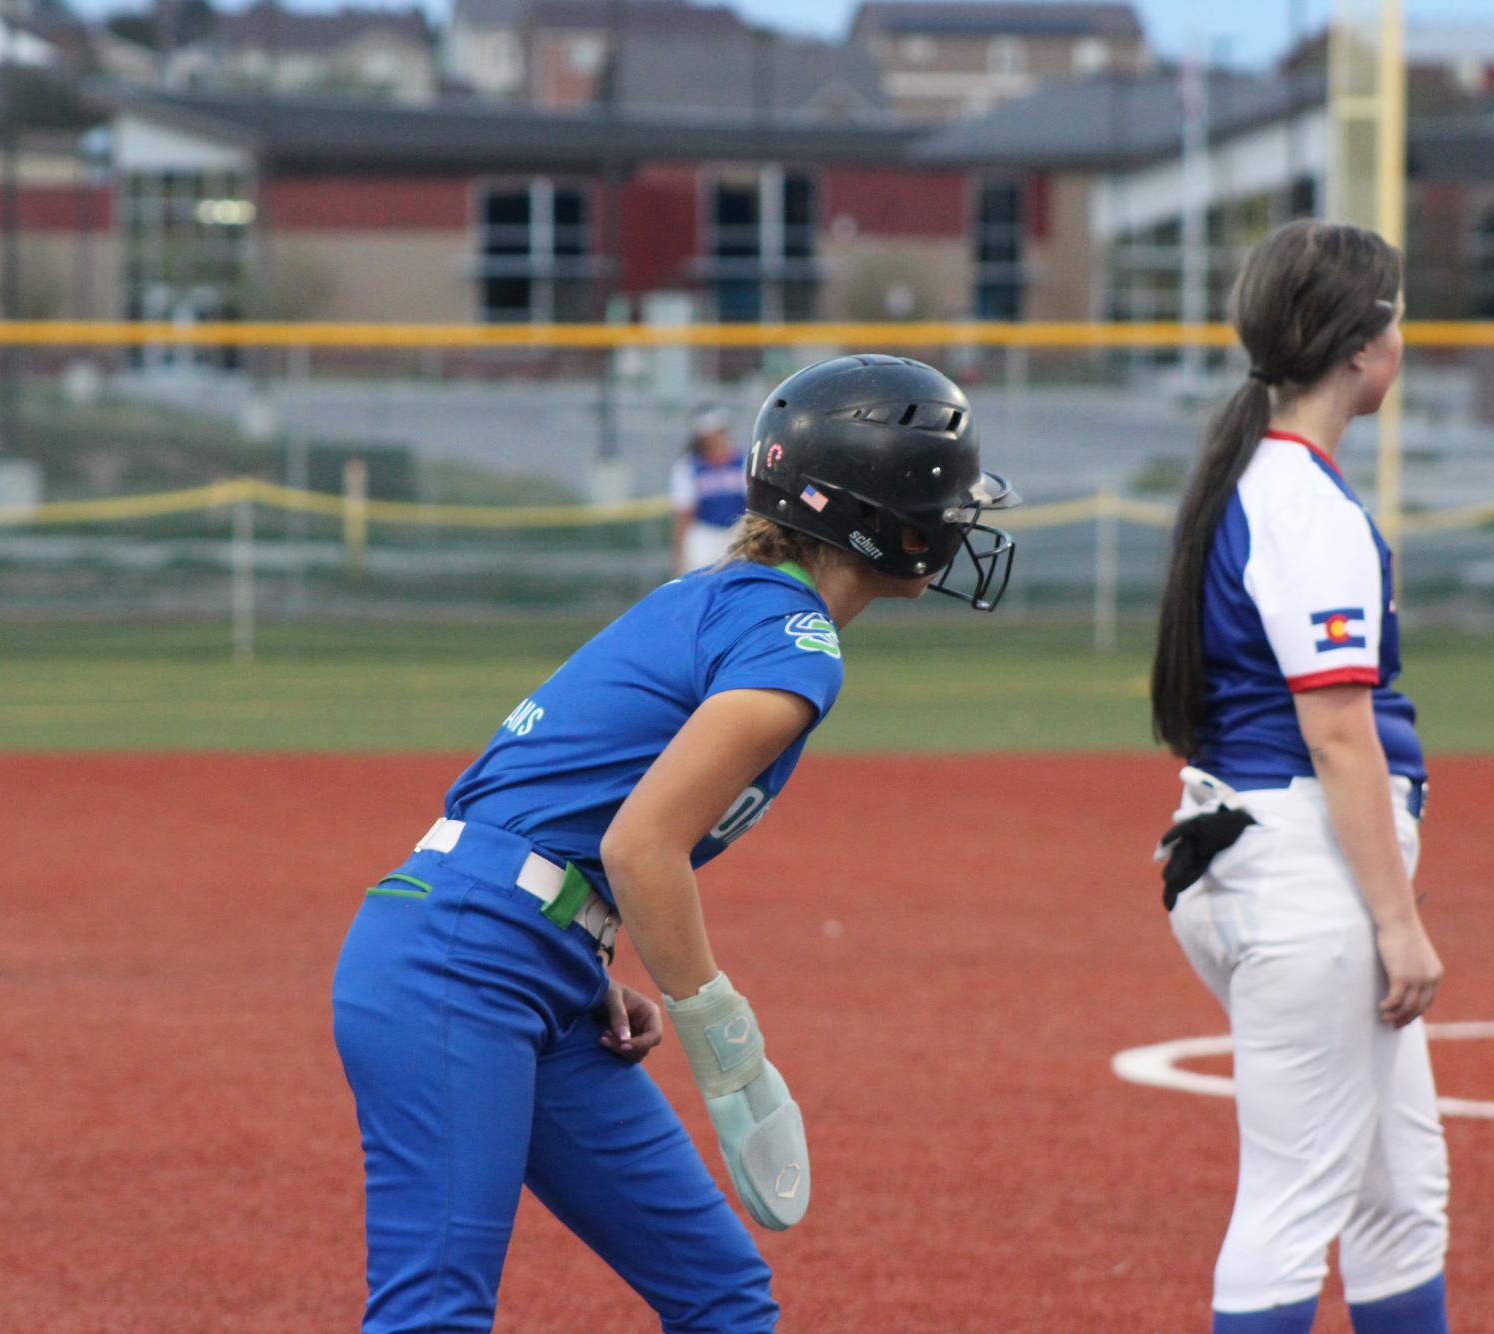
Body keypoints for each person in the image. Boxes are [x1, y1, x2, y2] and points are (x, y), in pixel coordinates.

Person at [330, 354, 1016, 1333]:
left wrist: (579, 940)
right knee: (434, 1315)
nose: (957, 524)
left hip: (513, 950)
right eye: (942, 503)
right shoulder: (796, 637)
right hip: (465, 960)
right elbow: (641, 842)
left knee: (725, 1301)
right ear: (884, 519)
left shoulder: (731, 596)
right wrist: (727, 1047)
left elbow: (541, 804)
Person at [1148, 220, 1449, 1334]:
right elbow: (1336, 732)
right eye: (1398, 315)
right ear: (1365, 348)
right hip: (1305, 870)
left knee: (1399, 1194)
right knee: (1294, 1203)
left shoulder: (1248, 475)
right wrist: (1401, 920)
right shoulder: (1301, 500)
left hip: (1253, 850)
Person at [671, 404, 749, 574]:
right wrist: (679, 557)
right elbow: (684, 514)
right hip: (704, 534)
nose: (721, 437)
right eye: (716, 433)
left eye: (722, 432)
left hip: (737, 531)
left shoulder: (743, 462)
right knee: (701, 577)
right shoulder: (689, 466)